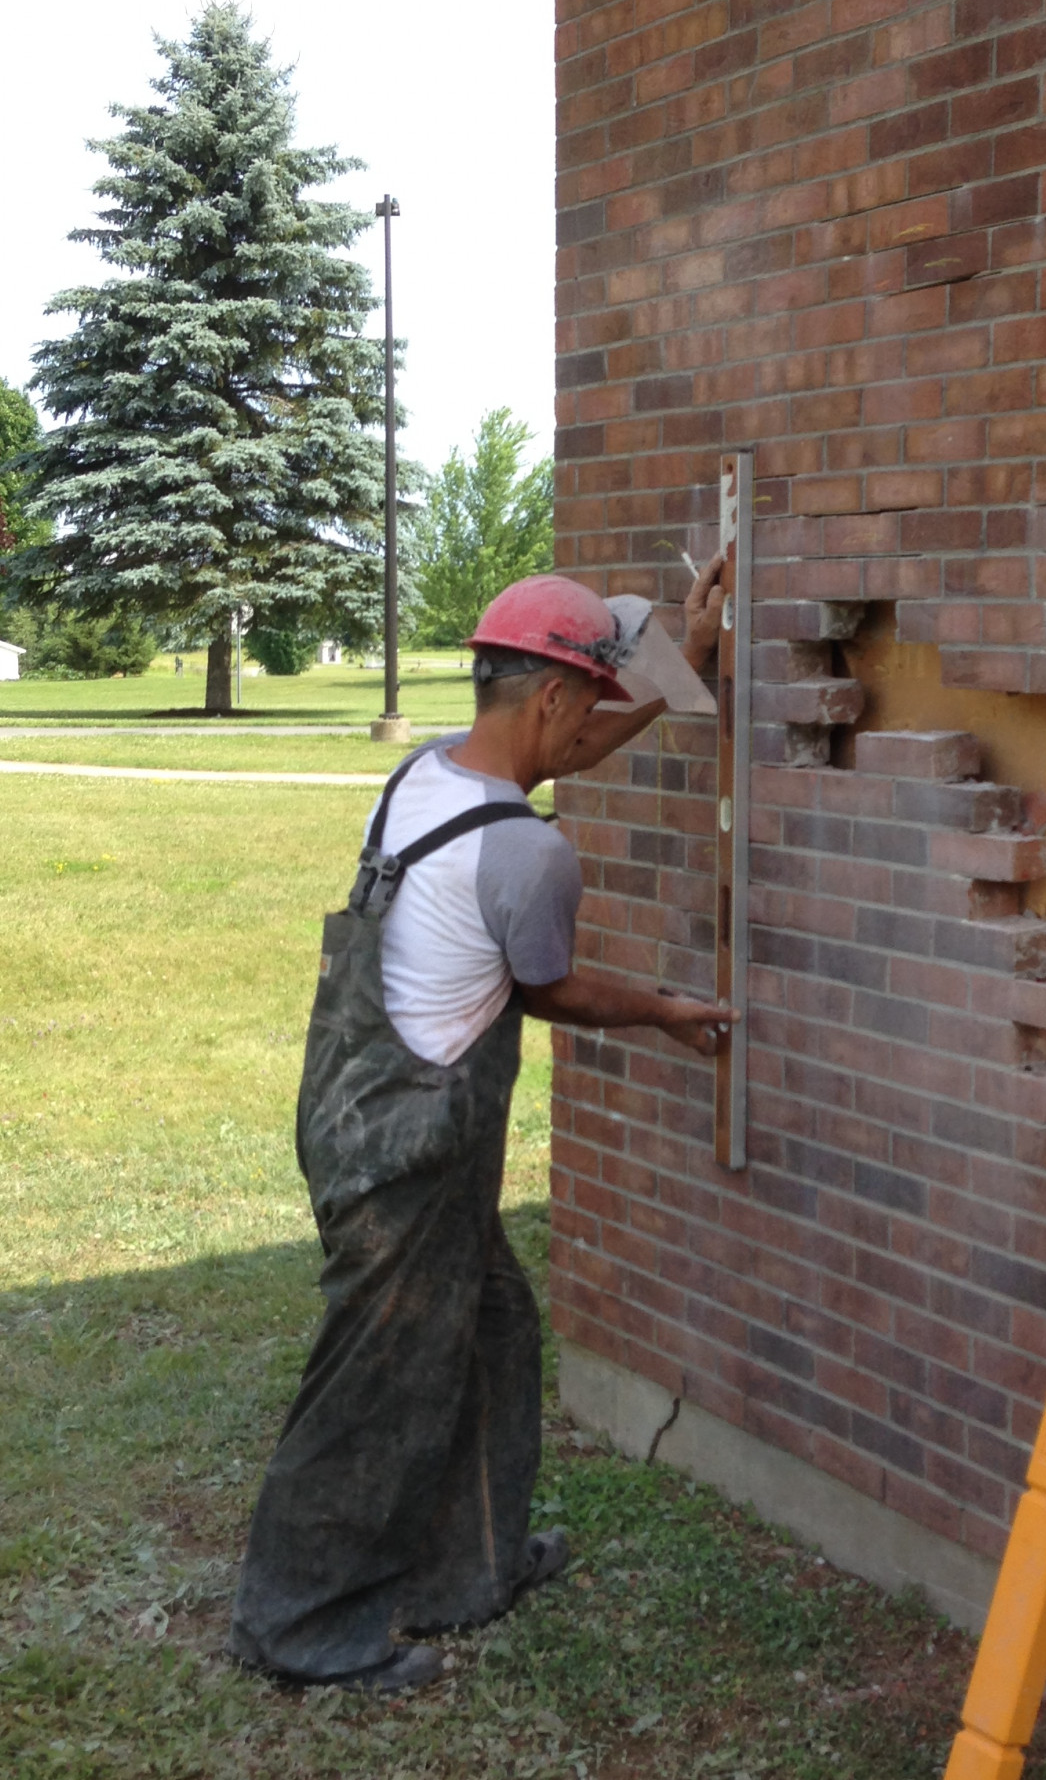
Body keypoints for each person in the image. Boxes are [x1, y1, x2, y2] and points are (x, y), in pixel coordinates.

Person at [229, 563, 734, 1692]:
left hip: (355, 1102)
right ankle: (301, 1629)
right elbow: (546, 991)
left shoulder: (429, 774)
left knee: (495, 1329)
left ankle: (469, 1570)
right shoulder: (531, 854)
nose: (591, 725)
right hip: (411, 1147)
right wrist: (662, 1011)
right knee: (379, 1386)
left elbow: (571, 754)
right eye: (592, 701)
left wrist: (676, 674)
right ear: (553, 698)